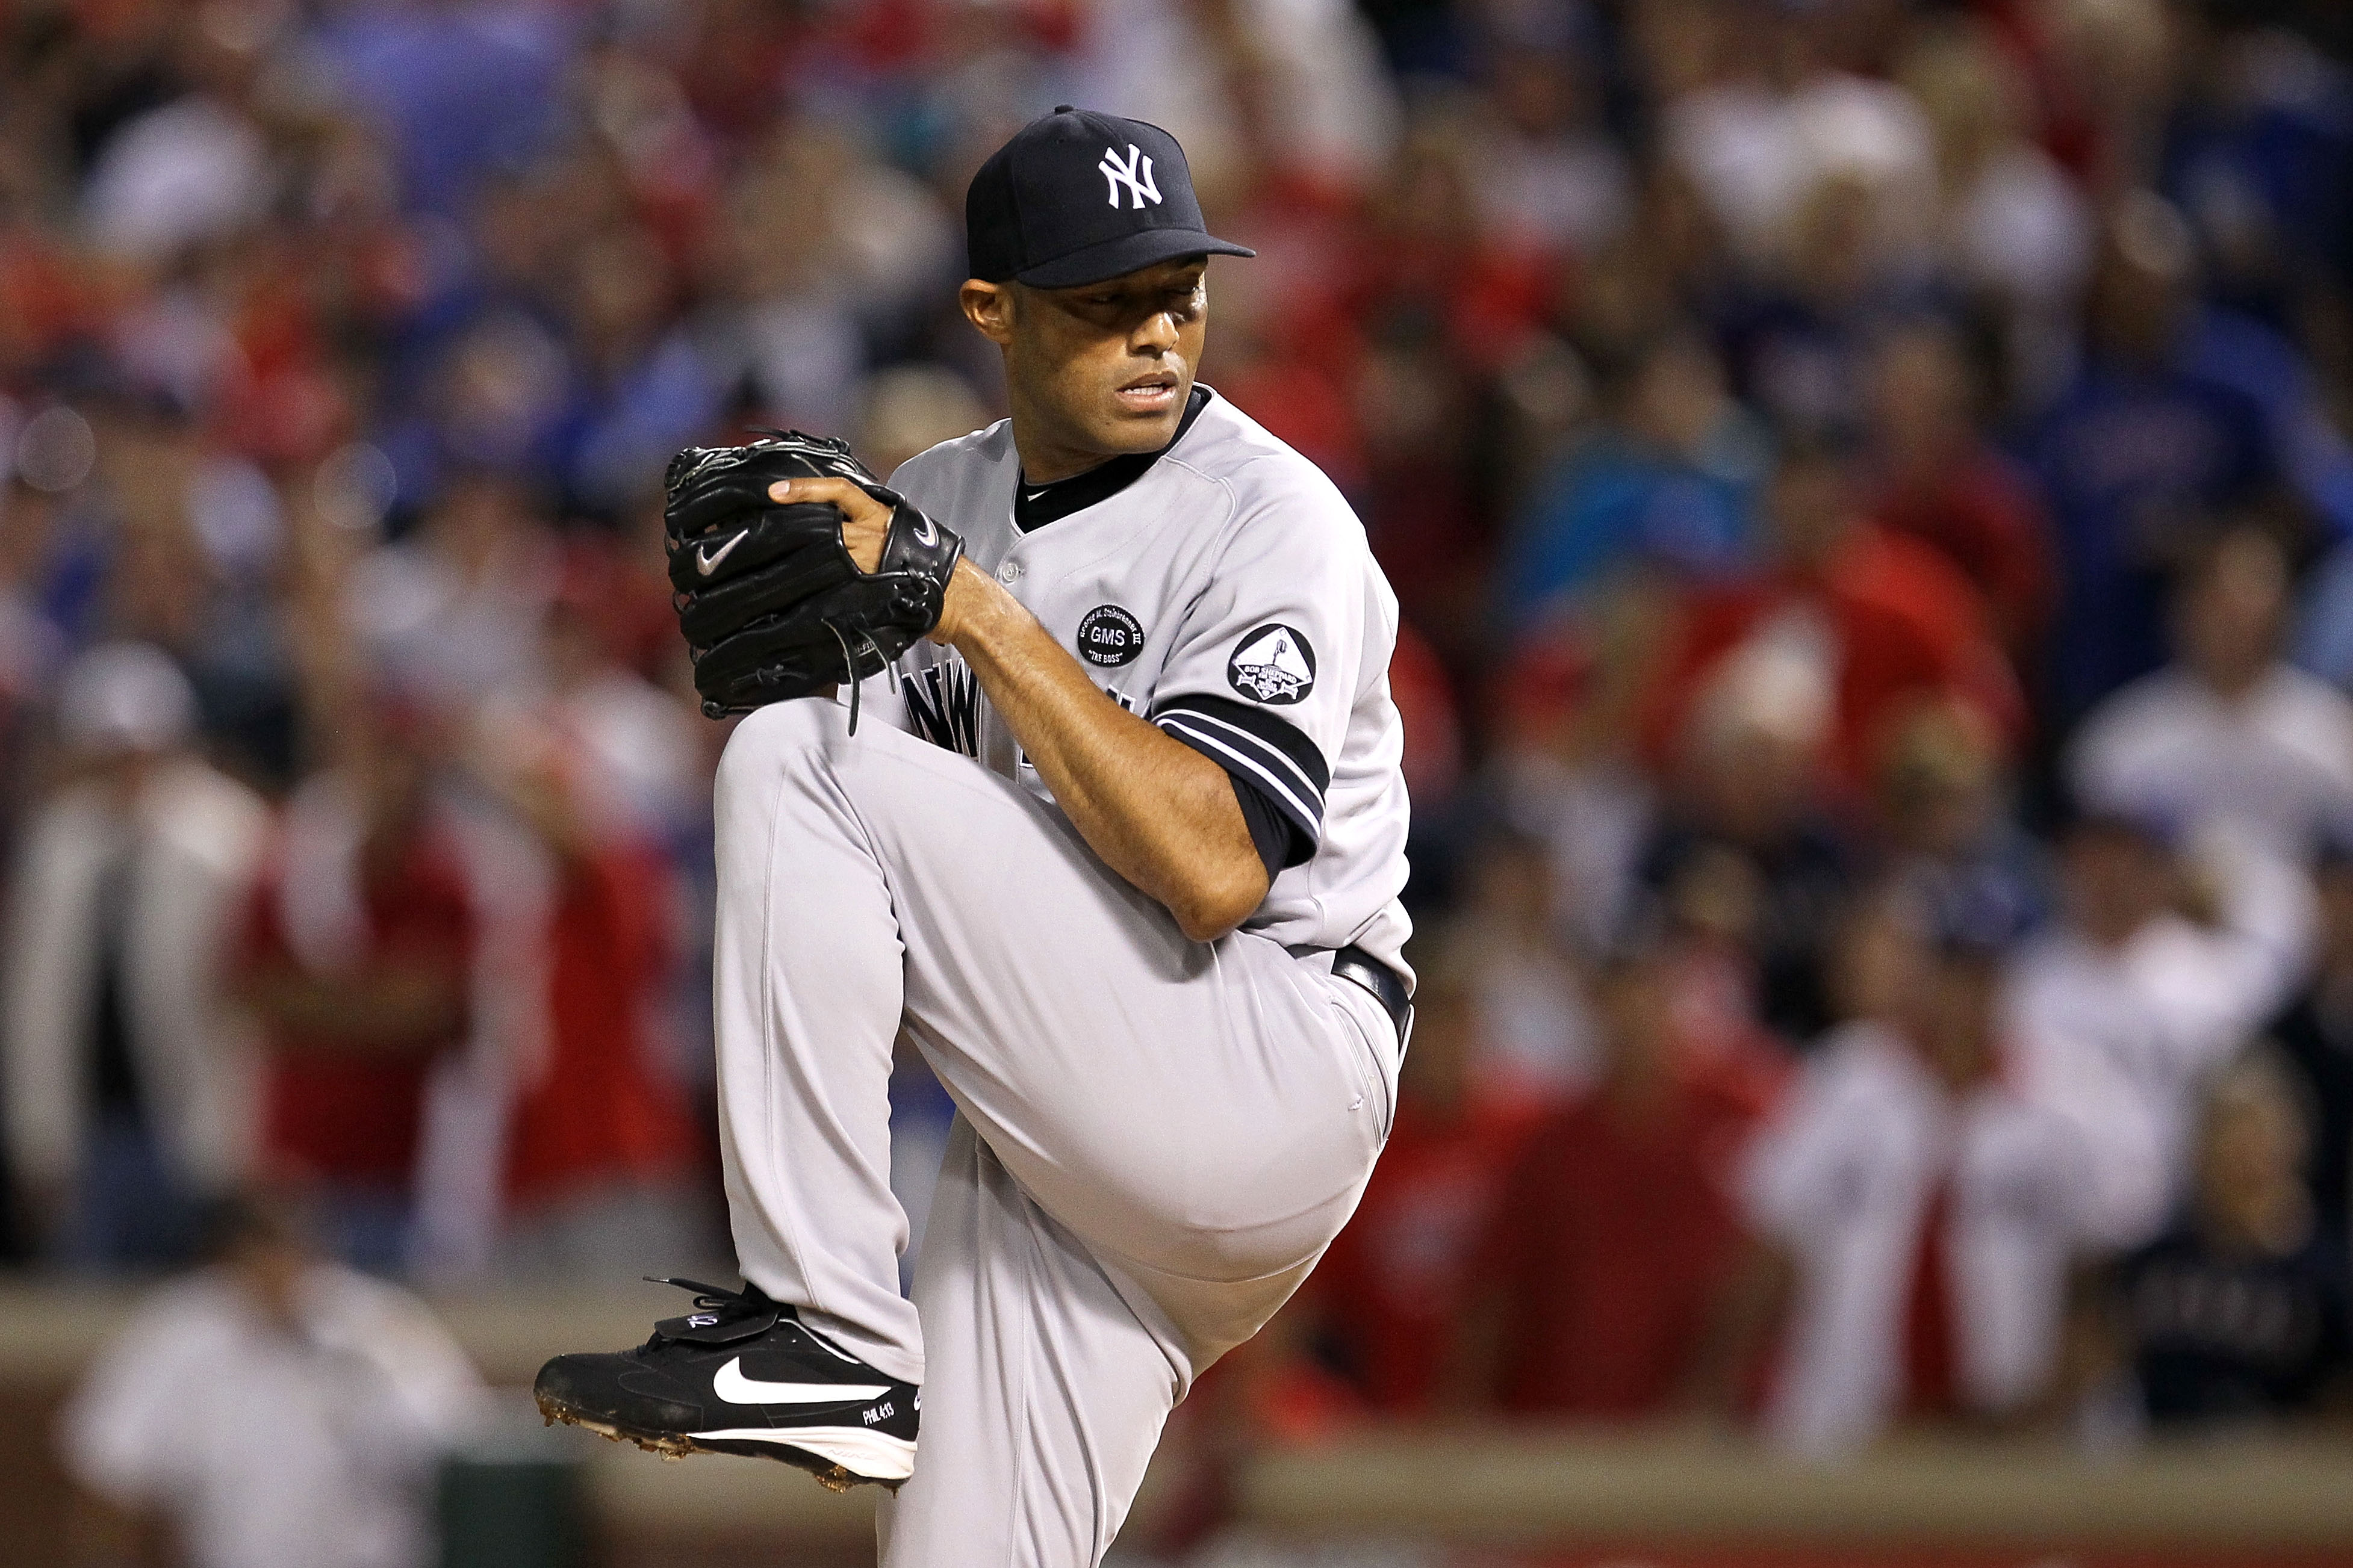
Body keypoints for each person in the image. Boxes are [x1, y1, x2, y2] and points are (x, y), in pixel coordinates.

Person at [535, 108, 1411, 1568]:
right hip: (1068, 1133)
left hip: (1266, 1049)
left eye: (1175, 293)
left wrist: (966, 611)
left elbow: (1212, 874)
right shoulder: (935, 500)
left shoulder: (1270, 517)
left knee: (802, 758)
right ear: (990, 313)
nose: (1153, 333)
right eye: (1101, 300)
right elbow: (852, 896)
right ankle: (838, 1336)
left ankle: (823, 1320)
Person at [3, 642, 267, 1269]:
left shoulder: (230, 837)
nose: (129, 768)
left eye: (142, 750)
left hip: (198, 1127)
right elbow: (34, 1004)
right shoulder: (59, 842)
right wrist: (38, 1141)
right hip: (94, 1133)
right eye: (111, 750)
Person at [58, 1192, 485, 1568]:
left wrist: (358, 1379)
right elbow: (107, 1476)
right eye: (260, 1250)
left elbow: (463, 1443)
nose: (277, 1267)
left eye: (290, 1246)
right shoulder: (180, 1334)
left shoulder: (381, 1323)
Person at [2069, 525, 2353, 863]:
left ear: (2284, 614)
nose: (2237, 628)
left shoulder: (2335, 733)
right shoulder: (2121, 739)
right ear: (2186, 612)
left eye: (2252, 610)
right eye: (2223, 609)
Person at [2108, 1053, 2352, 1428]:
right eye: (2227, 1135)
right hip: (2165, 1475)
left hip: (2290, 1479)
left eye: (2259, 1139)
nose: (2243, 1158)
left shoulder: (2329, 1276)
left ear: (2293, 1149)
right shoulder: (2153, 1267)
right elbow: (2094, 1372)